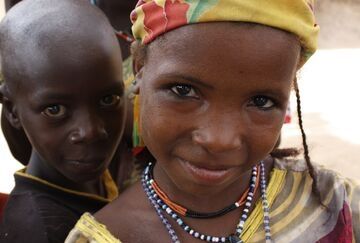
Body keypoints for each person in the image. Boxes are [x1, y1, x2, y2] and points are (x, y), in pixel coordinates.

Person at [67, 0, 360, 242]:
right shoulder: (101, 237)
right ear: (140, 70)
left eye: (261, 101)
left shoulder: (333, 202)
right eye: (184, 90)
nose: (219, 139)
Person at [0, 0, 126, 242]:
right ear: (13, 111)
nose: (91, 131)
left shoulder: (99, 169)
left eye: (108, 99)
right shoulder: (41, 231)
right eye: (55, 109)